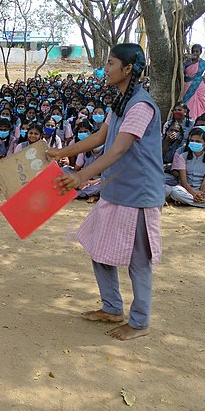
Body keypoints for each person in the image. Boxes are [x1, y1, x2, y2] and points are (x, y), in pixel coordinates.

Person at [50, 43, 164, 341]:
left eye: (111, 63)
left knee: (139, 262)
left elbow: (119, 148)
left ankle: (140, 323)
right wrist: (59, 152)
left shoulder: (140, 105)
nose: (106, 68)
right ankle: (112, 307)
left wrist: (81, 176)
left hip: (137, 194)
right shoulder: (121, 103)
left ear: (127, 69)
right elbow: (100, 137)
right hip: (116, 190)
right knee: (98, 248)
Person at [168, 129, 205, 209]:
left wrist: (200, 193)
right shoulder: (183, 156)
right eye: (192, 141)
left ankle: (188, 201)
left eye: (198, 141)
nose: (194, 143)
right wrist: (194, 193)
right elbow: (184, 182)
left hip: (203, 190)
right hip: (186, 189)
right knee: (174, 192)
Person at [181, 44, 205, 120]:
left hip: (200, 85)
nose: (195, 53)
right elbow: (181, 73)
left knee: (201, 103)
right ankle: (188, 119)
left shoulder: (204, 63)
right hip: (187, 85)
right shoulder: (186, 62)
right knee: (188, 103)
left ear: (200, 52)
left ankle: (200, 119)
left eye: (197, 51)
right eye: (193, 51)